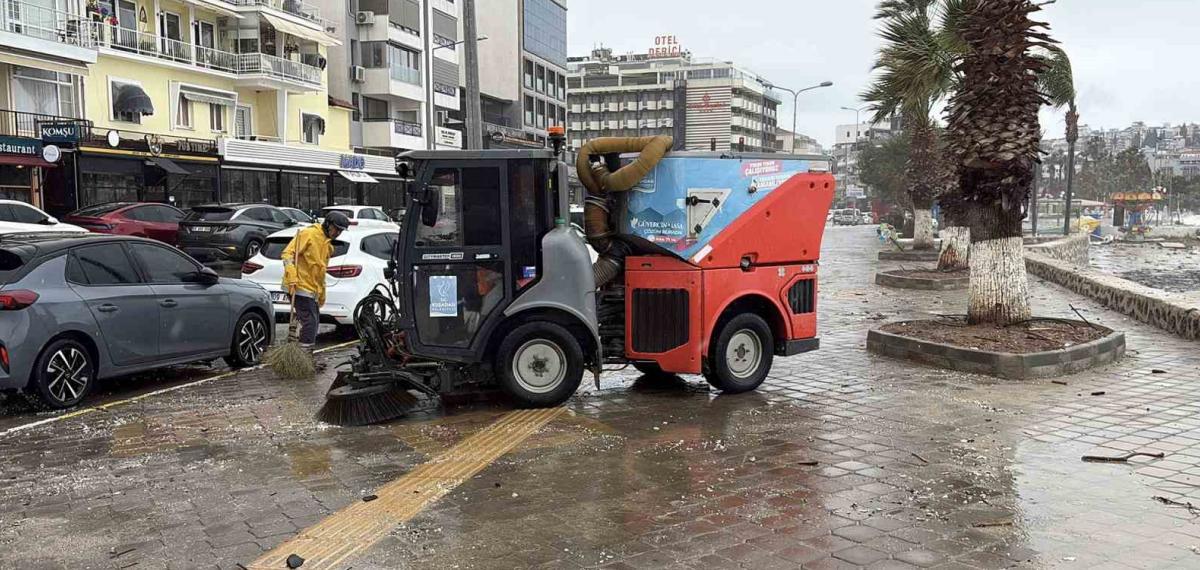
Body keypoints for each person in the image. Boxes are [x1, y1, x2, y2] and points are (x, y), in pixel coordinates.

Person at [282, 211, 350, 351]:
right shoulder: (309, 234)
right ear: (328, 224)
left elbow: (319, 272)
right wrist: (291, 274)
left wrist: (321, 292)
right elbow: (288, 253)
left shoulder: (326, 243)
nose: (337, 233)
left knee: (313, 322)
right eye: (336, 229)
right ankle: (303, 356)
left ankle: (302, 353)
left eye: (340, 231)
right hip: (299, 286)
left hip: (311, 289)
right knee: (310, 324)